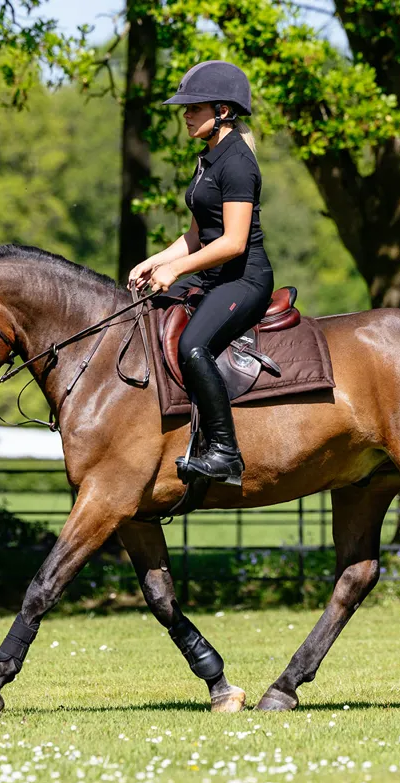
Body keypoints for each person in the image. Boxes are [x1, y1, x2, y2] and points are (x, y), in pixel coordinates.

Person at [128, 61, 274, 487]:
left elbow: (232, 242)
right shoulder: (208, 158)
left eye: (194, 106)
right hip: (213, 276)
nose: (186, 114)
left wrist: (175, 269)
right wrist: (155, 261)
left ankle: (226, 453)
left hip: (244, 280)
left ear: (224, 111)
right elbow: (197, 233)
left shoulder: (238, 164)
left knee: (192, 345)